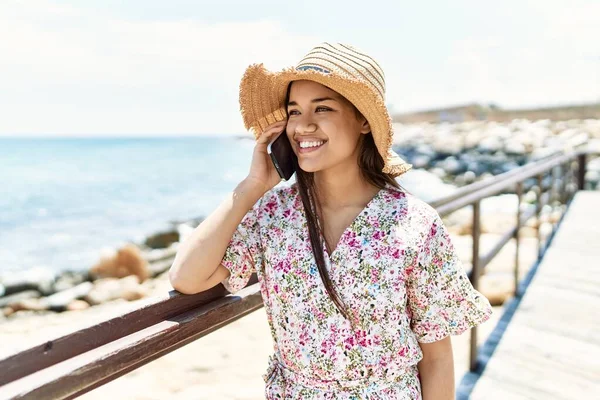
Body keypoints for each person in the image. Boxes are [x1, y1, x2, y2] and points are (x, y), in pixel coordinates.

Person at [169, 43, 493, 400]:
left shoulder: (414, 223)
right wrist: (251, 187)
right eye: (294, 111)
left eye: (322, 108)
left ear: (364, 121)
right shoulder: (273, 215)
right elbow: (187, 277)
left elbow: (436, 358)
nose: (303, 125)